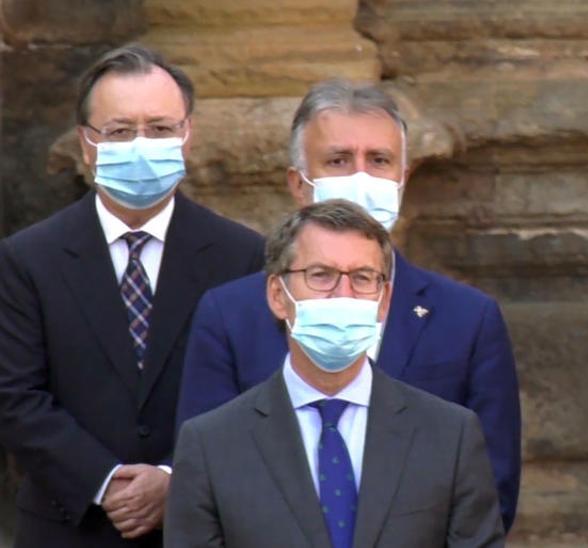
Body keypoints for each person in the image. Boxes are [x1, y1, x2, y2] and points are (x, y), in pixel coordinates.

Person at [173, 80, 521, 531]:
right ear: (299, 183)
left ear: (403, 178)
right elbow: (203, 490)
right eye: (338, 161)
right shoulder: (229, 314)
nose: (361, 177)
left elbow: (489, 497)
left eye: (379, 161)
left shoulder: (468, 319)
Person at [0, 45, 264, 547]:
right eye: (120, 131)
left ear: (187, 136)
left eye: (161, 129)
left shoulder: (243, 256)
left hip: (197, 527)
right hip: (69, 525)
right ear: (86, 144)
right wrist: (105, 482)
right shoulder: (25, 259)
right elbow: (13, 397)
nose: (142, 145)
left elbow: (253, 392)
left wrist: (174, 479)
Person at [165, 200, 504, 547]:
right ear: (277, 296)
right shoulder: (211, 444)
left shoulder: (450, 436)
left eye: (361, 278)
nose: (343, 295)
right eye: (321, 275)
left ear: (384, 301)